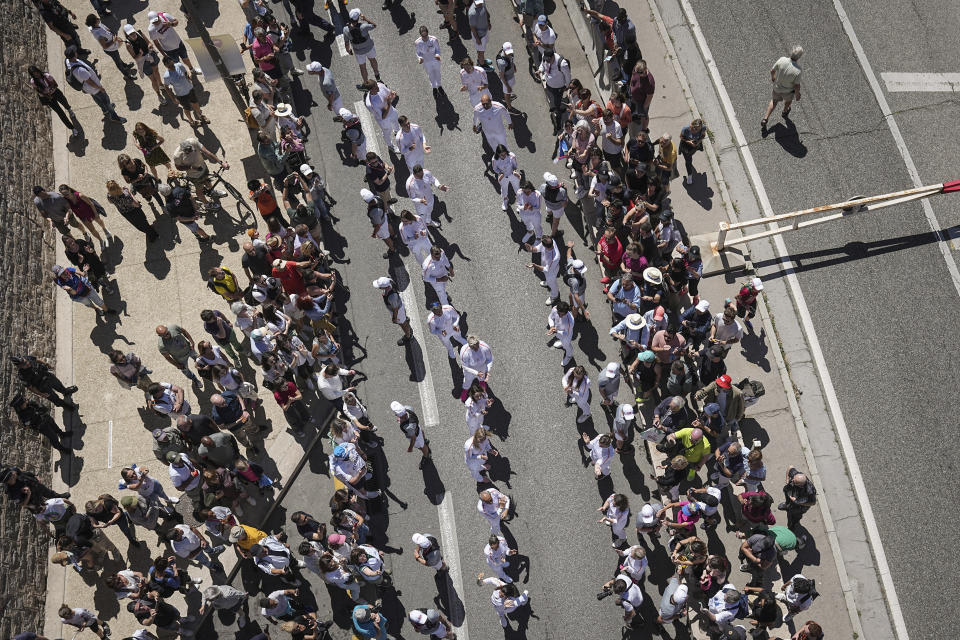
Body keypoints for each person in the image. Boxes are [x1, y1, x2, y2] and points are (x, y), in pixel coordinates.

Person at [64, 45, 126, 123]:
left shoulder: (68, 61)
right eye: (75, 52)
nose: (77, 52)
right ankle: (114, 116)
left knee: (97, 99)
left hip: (88, 88)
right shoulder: (80, 70)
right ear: (74, 55)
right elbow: (90, 81)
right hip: (94, 88)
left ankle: (105, 110)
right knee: (106, 101)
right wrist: (100, 88)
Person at [28, 65, 78, 137]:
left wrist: (51, 91)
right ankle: (72, 128)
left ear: (38, 71)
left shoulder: (46, 76)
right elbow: (38, 91)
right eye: (34, 74)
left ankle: (69, 109)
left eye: (36, 72)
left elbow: (55, 84)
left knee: (64, 102)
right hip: (49, 98)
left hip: (55, 93)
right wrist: (46, 95)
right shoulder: (33, 81)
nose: (36, 75)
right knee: (60, 113)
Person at [124, 26, 167, 106]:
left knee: (156, 71)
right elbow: (135, 58)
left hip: (151, 56)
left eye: (133, 32)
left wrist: (150, 46)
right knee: (153, 80)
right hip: (143, 62)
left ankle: (161, 85)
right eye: (130, 34)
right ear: (127, 35)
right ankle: (159, 95)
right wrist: (140, 54)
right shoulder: (128, 44)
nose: (133, 34)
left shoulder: (139, 33)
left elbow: (149, 42)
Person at [763, 45, 803, 128]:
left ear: (792, 52)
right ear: (799, 57)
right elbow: (796, 85)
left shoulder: (782, 60)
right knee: (788, 101)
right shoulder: (798, 70)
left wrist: (773, 78)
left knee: (774, 101)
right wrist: (797, 94)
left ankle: (765, 118)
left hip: (777, 87)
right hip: (787, 91)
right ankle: (785, 111)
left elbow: (772, 71)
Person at [162, 56, 209, 127]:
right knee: (187, 109)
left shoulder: (179, 65)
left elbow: (186, 73)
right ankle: (191, 121)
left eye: (170, 61)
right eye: (167, 63)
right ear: (165, 65)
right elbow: (166, 87)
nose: (169, 63)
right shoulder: (167, 76)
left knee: (196, 104)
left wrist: (189, 77)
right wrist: (173, 98)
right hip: (181, 95)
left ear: (172, 60)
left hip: (190, 89)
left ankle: (200, 116)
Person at [156, 324, 202, 389]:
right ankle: (195, 379)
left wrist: (192, 342)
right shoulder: (161, 346)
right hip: (180, 358)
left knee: (199, 360)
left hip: (189, 349)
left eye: (167, 332)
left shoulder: (173, 327)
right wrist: (177, 365)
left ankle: (203, 371)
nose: (168, 334)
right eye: (165, 335)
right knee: (186, 371)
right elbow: (167, 357)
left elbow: (184, 332)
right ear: (160, 336)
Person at [344, 10, 380, 86]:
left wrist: (348, 50)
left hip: (358, 51)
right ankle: (377, 75)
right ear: (358, 19)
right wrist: (365, 19)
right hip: (369, 48)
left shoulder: (346, 29)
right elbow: (374, 25)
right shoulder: (364, 26)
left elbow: (347, 43)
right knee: (372, 60)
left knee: (362, 67)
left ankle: (366, 82)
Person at [372, 277, 412, 346]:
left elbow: (395, 309)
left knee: (402, 324)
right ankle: (405, 319)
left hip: (398, 311)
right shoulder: (389, 281)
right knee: (403, 320)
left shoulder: (392, 297)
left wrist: (394, 318)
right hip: (399, 304)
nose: (379, 288)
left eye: (379, 287)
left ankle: (408, 336)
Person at [523, 234, 561, 305]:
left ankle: (554, 296)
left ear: (545, 245)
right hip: (546, 266)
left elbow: (546, 269)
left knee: (552, 283)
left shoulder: (554, 257)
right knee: (548, 280)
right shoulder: (550, 242)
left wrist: (534, 265)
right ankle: (547, 282)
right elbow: (538, 248)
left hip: (551, 272)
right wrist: (531, 249)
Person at [780, 466, 817, 534]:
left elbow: (813, 502)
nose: (792, 480)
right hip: (791, 495)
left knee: (795, 516)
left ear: (800, 485)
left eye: (794, 481)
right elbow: (790, 467)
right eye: (793, 479)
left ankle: (792, 526)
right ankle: (787, 505)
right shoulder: (796, 475)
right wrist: (787, 480)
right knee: (788, 503)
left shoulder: (809, 491)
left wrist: (798, 502)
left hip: (800, 506)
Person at [459, 336, 494, 401]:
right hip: (470, 370)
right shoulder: (464, 351)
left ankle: (483, 392)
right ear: (469, 345)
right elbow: (465, 366)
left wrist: (487, 370)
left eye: (477, 346)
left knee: (482, 379)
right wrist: (476, 373)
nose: (476, 349)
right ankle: (465, 391)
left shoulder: (485, 347)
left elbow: (490, 359)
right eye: (473, 348)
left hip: (481, 367)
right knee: (467, 382)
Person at [415, 26, 443, 94]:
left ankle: (439, 86)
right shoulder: (417, 42)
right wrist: (420, 58)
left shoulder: (433, 39)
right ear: (420, 34)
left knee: (437, 73)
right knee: (430, 74)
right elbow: (418, 53)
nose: (424, 37)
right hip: (426, 62)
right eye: (423, 35)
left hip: (435, 60)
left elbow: (438, 50)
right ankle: (434, 87)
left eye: (425, 35)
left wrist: (437, 55)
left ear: (427, 33)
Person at [492, 145, 521, 211]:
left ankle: (519, 202)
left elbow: (515, 166)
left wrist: (514, 171)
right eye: (502, 155)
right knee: (504, 189)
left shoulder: (512, 156)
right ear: (498, 154)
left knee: (517, 188)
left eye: (505, 154)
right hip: (503, 176)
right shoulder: (494, 159)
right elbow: (495, 169)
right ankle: (505, 200)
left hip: (512, 174)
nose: (504, 156)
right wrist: (500, 173)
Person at [547, 300, 575, 366]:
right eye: (558, 313)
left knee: (567, 346)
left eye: (562, 314)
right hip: (557, 330)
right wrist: (552, 326)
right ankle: (562, 343)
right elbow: (550, 317)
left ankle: (569, 355)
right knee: (561, 340)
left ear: (566, 312)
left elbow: (566, 333)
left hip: (566, 336)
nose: (560, 316)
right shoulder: (555, 308)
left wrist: (556, 331)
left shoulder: (570, 321)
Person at [679, 119, 706, 184]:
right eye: (693, 128)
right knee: (688, 161)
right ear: (691, 124)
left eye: (697, 129)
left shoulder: (703, 128)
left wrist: (698, 142)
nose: (695, 130)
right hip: (685, 146)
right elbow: (681, 137)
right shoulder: (685, 129)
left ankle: (690, 161)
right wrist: (689, 142)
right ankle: (690, 175)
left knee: (690, 156)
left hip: (694, 147)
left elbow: (703, 135)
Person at [467, 0, 492, 65]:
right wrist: (477, 39)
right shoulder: (472, 13)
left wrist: (488, 22)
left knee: (481, 51)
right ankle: (482, 65)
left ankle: (481, 60)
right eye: (478, 3)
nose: (480, 4)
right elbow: (472, 28)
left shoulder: (482, 2)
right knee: (481, 52)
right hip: (479, 36)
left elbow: (486, 12)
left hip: (485, 32)